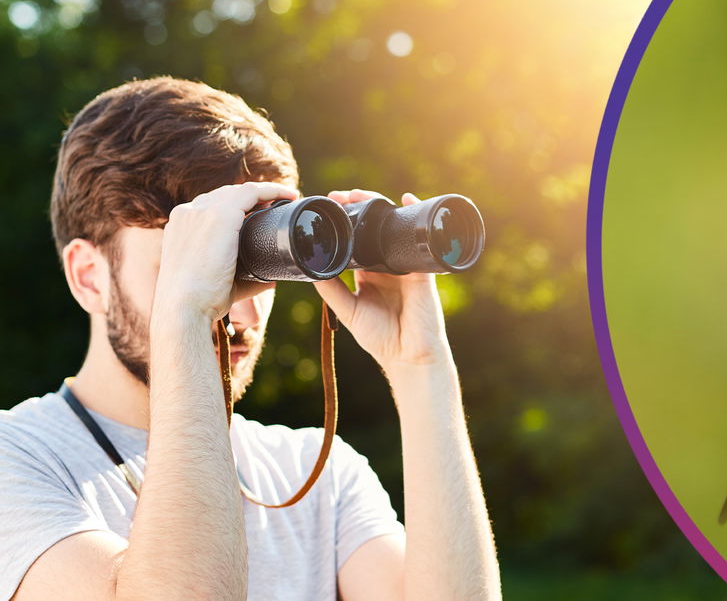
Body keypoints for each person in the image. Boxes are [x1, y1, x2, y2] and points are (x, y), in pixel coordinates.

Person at [0, 77, 502, 599]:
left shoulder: (317, 471)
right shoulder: (17, 461)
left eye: (255, 266)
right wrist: (187, 318)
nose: (237, 310)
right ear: (88, 276)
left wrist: (421, 368)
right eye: (197, 264)